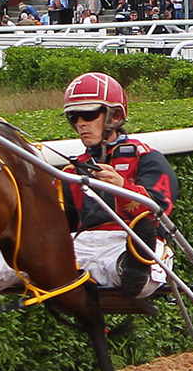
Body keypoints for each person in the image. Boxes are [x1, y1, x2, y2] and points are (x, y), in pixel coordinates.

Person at [62, 73, 177, 299]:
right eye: (74, 117)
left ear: (115, 116)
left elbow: (160, 211)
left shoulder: (146, 157)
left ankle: (132, 264)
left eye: (89, 114)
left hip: (132, 240)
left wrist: (122, 187)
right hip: (82, 244)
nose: (81, 123)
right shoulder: (71, 171)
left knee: (144, 268)